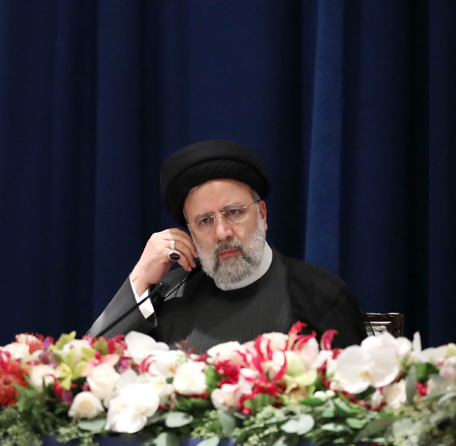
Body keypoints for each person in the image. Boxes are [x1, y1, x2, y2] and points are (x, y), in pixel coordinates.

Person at [89, 140, 368, 353]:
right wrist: (140, 278)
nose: (222, 233)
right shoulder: (169, 295)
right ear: (190, 233)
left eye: (234, 212)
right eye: (205, 221)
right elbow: (86, 373)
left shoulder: (320, 296)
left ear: (262, 214)